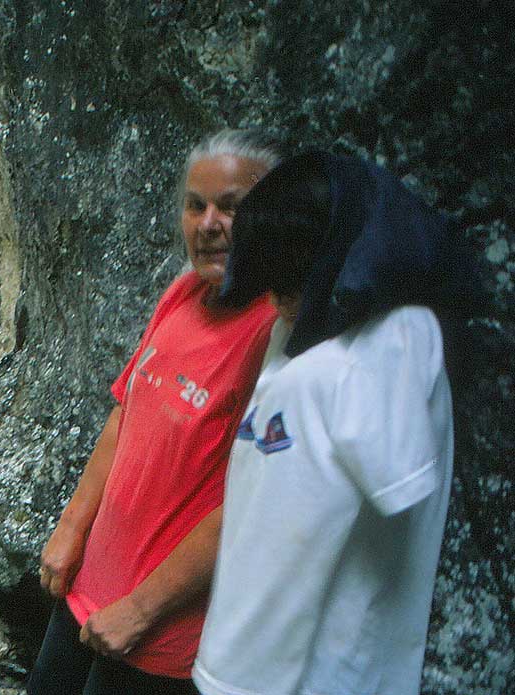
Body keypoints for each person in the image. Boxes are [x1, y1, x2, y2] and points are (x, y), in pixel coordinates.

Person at [193, 150, 479, 695]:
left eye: (286, 283)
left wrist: (224, 681)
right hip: (362, 669)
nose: (275, 303)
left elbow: (275, 558)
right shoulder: (405, 338)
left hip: (279, 677)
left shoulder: (326, 375)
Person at [27, 129, 284, 695]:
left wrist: (140, 611)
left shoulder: (273, 336)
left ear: (272, 217)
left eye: (232, 207)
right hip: (89, 585)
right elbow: (125, 415)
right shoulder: (184, 293)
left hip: (161, 631)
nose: (208, 223)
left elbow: (250, 503)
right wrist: (72, 528)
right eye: (196, 205)